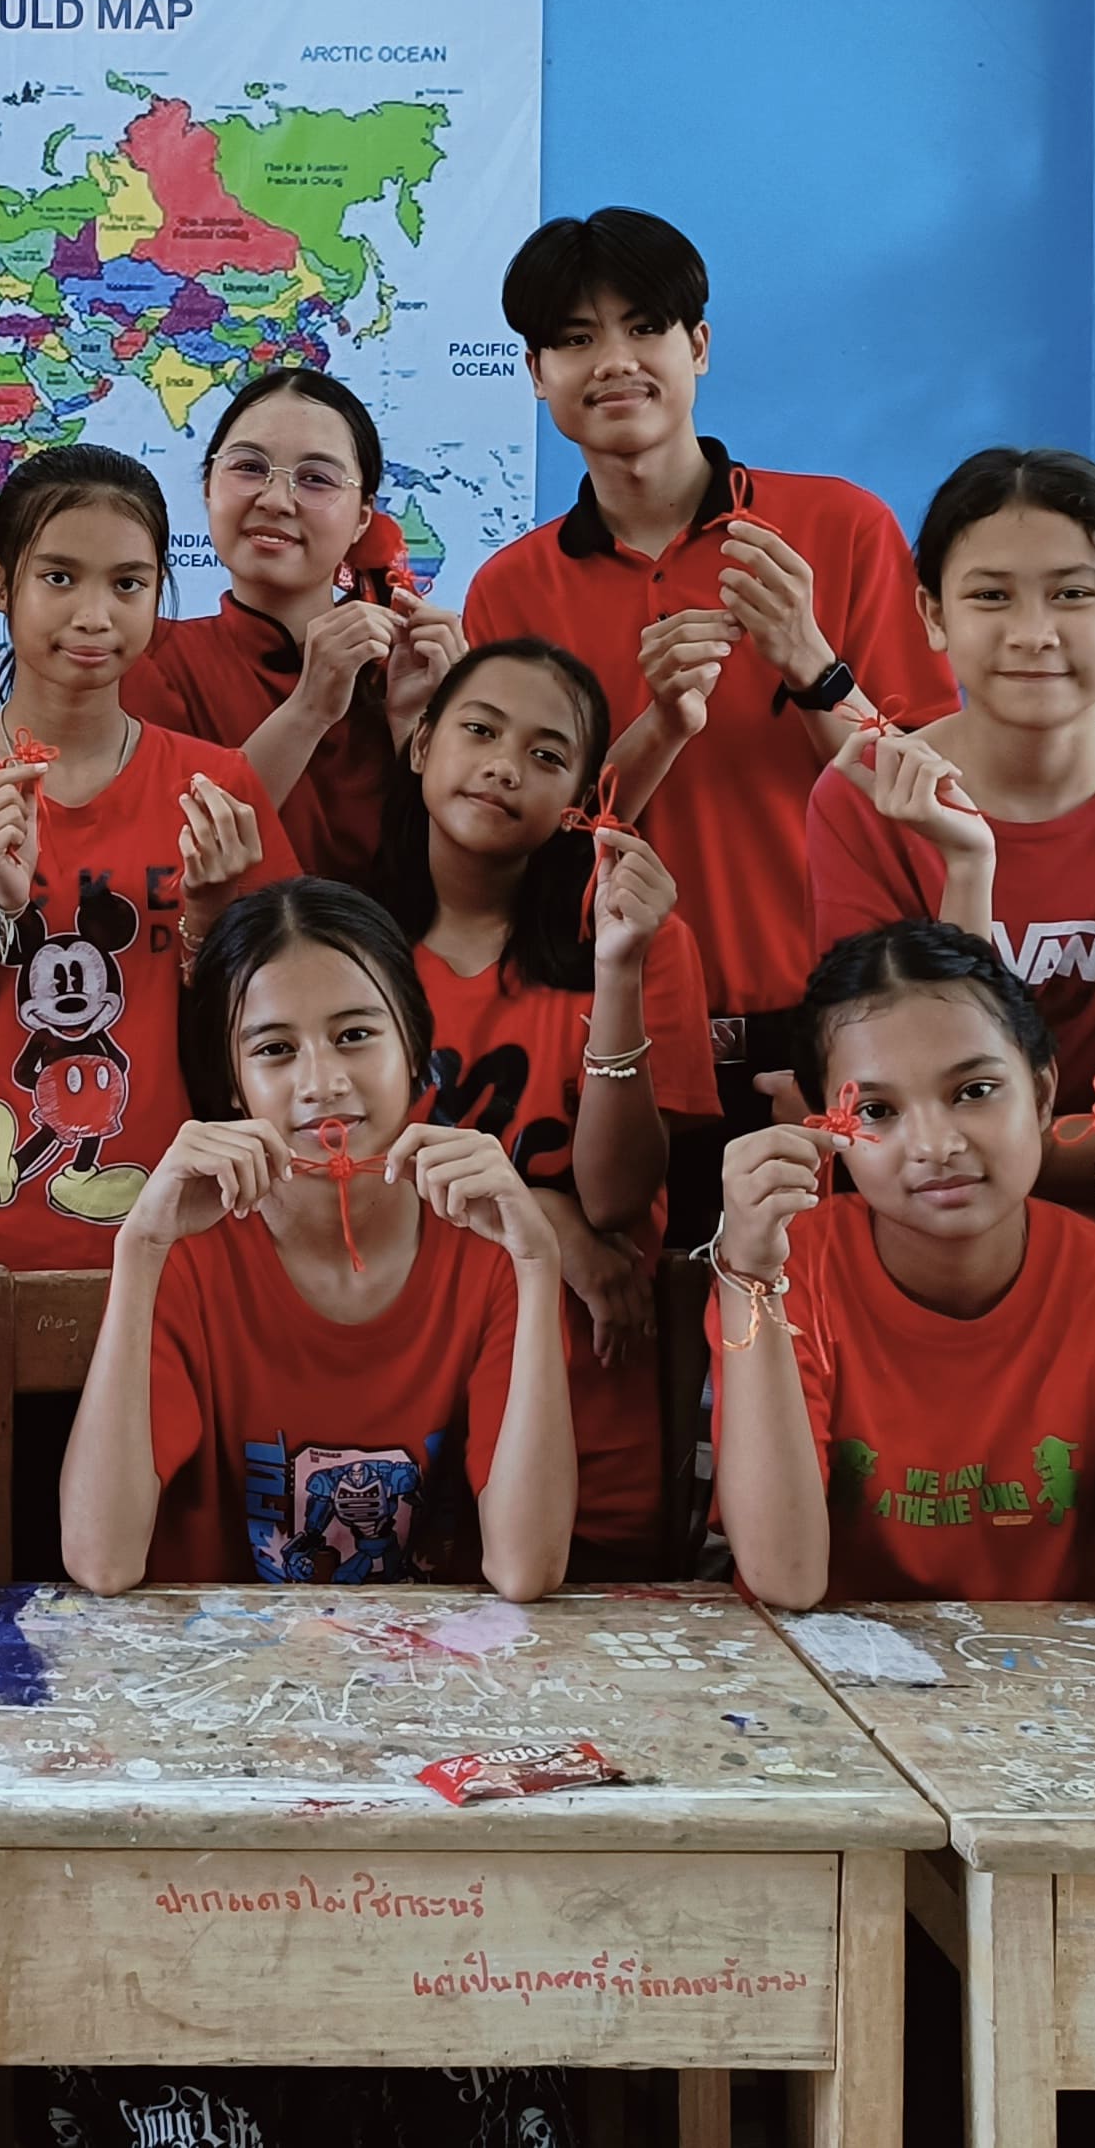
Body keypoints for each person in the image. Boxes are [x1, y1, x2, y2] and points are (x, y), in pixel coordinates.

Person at [0, 444, 285, 1575]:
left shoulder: (217, 788)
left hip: (176, 1273)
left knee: (155, 1618)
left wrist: (214, 916)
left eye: (129, 583)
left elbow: (262, 1070)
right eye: (59, 577)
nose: (94, 615)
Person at [458, 209, 950, 1095]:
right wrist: (658, 727)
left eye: (645, 328)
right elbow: (523, 841)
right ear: (536, 374)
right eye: (576, 340)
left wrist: (813, 667)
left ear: (699, 347)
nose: (614, 361)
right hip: (614, 1035)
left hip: (844, 1034)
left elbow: (933, 809)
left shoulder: (843, 528)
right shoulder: (509, 589)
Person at [707, 919, 1095, 1630]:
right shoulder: (784, 1267)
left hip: (1065, 1674)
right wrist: (750, 1277)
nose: (936, 1145)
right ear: (827, 1131)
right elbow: (785, 1577)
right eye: (877, 1111)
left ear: (1043, 1095)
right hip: (826, 1672)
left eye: (975, 1090)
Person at [62, 879, 574, 1597]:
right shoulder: (185, 1252)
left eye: (355, 1035)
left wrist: (538, 1262)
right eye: (275, 1048)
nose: (322, 1082)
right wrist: (139, 1250)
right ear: (232, 1082)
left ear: (415, 1046)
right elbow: (100, 1560)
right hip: (215, 1663)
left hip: (433, 1663)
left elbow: (527, 1569)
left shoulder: (491, 1249)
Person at [803, 446, 1095, 1174]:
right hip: (924, 1212)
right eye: (991, 596)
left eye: (1073, 594)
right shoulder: (866, 798)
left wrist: (997, 1151)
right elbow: (891, 1084)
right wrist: (968, 866)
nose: (1032, 633)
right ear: (933, 614)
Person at [366, 637, 704, 1572]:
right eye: (480, 731)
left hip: (582, 1415)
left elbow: (618, 1201)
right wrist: (544, 1215)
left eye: (546, 755)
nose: (505, 766)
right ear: (422, 744)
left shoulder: (644, 942)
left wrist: (620, 967)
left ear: (582, 800)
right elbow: (327, 1183)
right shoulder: (344, 944)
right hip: (386, 1422)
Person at [122, 367, 461, 879]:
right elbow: (160, 867)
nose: (275, 500)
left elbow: (457, 885)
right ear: (209, 486)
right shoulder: (149, 659)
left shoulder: (407, 672)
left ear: (363, 517)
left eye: (316, 479)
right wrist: (308, 709)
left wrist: (419, 728)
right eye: (248, 468)